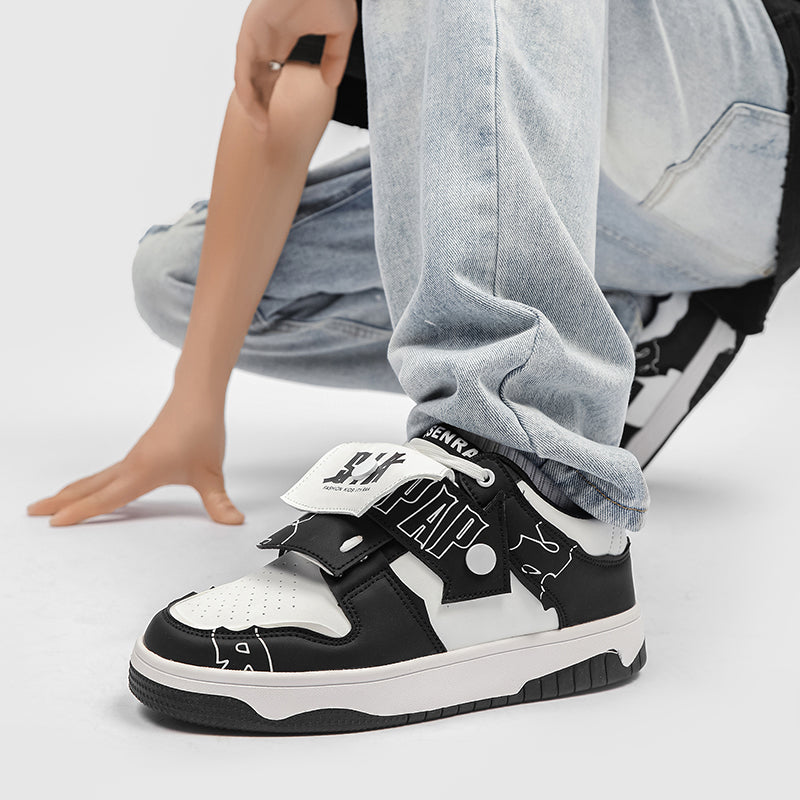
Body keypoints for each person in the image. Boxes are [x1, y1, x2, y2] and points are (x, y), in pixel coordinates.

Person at [29, 0, 800, 733]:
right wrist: (193, 402)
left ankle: (530, 486)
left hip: (736, 134)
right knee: (175, 280)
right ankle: (632, 329)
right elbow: (288, 95)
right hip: (582, 179)